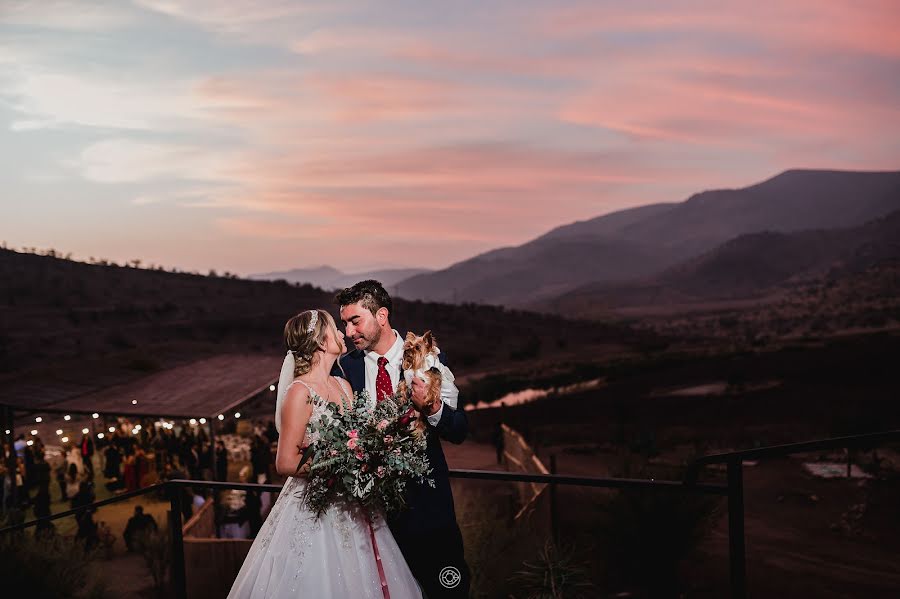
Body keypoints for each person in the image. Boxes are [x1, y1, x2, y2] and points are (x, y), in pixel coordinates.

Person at [227, 309, 423, 598]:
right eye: (335, 328)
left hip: (355, 505)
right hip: (315, 506)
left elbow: (358, 440)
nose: (343, 333)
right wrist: (339, 465)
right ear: (321, 341)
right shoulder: (299, 392)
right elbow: (285, 462)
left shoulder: (343, 386)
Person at [336, 280, 470, 598]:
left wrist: (432, 407)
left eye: (355, 321)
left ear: (381, 315)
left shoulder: (427, 358)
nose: (348, 331)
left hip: (429, 514)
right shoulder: (344, 369)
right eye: (344, 323)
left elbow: (460, 429)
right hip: (372, 518)